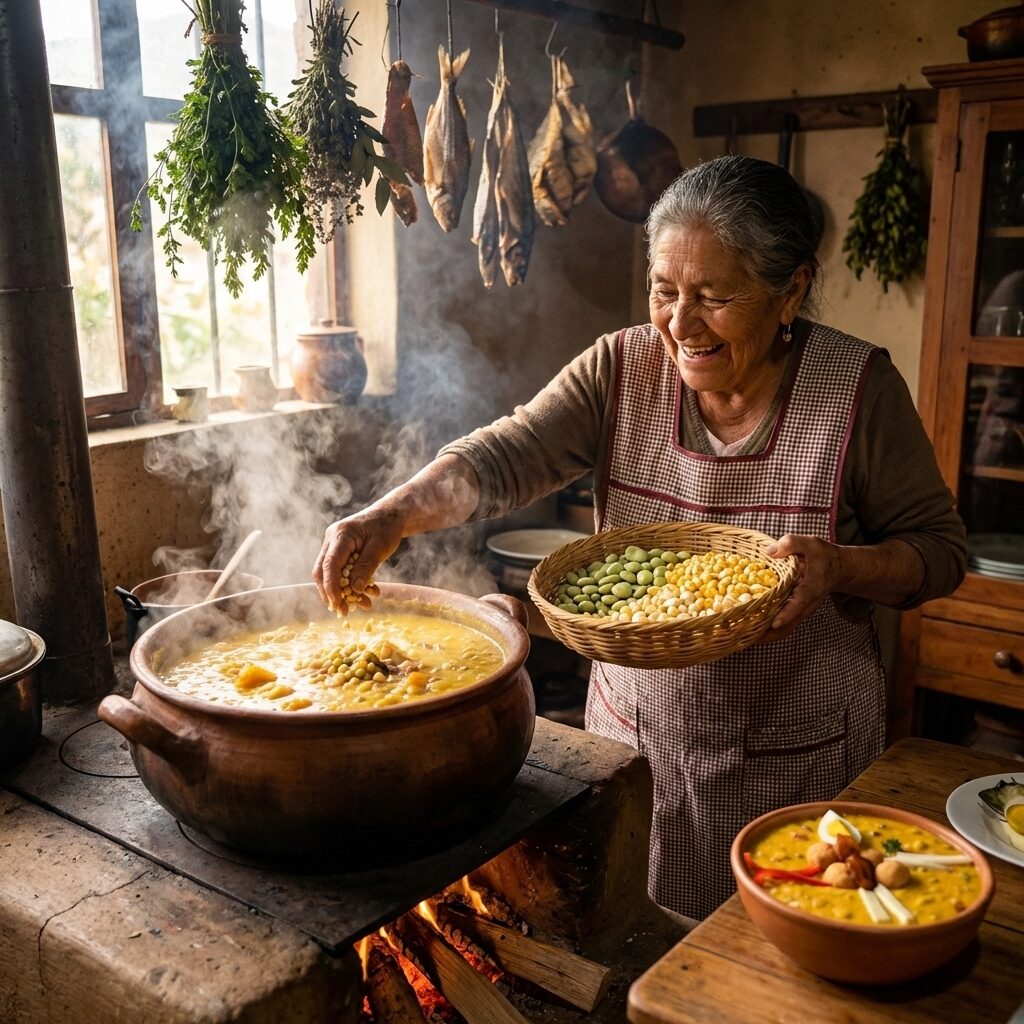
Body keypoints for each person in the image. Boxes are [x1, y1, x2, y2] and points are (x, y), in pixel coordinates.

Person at [313, 155, 967, 920]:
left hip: (799, 755)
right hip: (639, 741)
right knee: (637, 944)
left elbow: (941, 553)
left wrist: (840, 566)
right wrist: (390, 513)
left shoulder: (858, 392)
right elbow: (506, 455)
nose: (681, 325)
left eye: (715, 297)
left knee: (775, 968)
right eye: (665, 291)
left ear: (791, 289)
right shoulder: (620, 368)